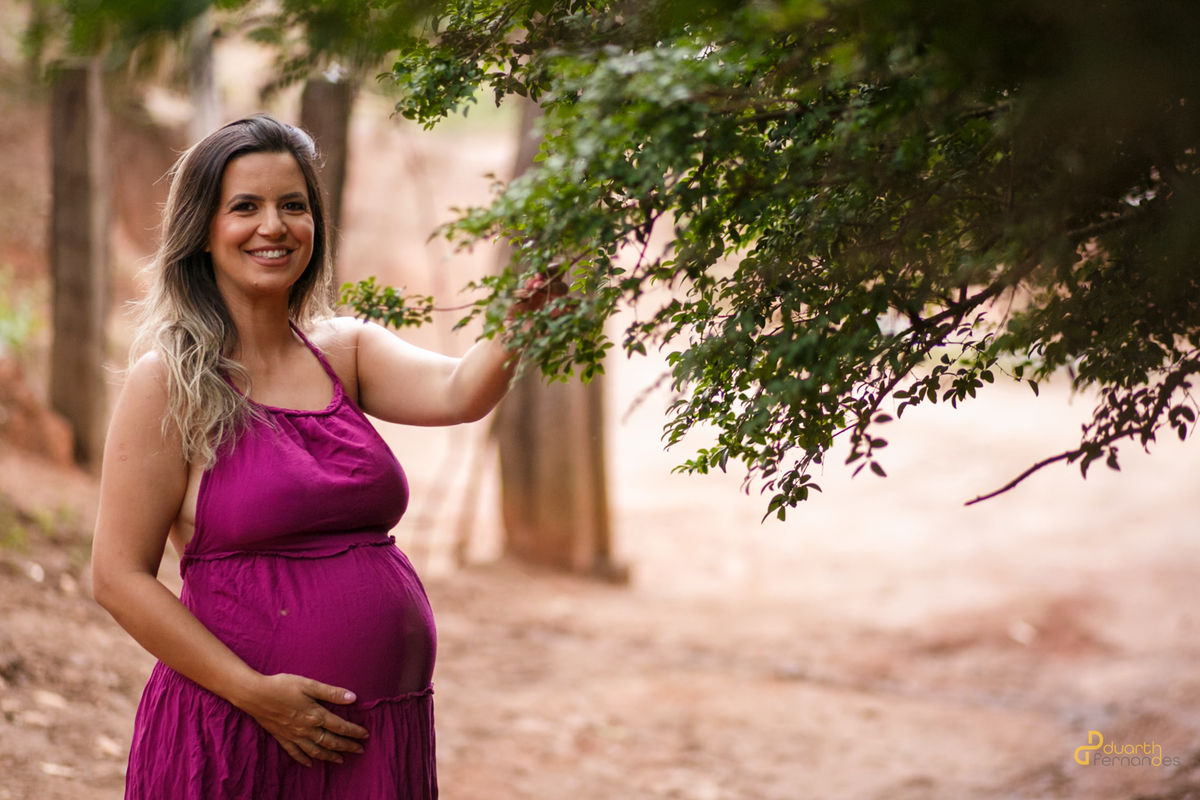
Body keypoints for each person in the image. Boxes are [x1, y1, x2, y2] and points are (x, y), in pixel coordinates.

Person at [92, 114, 533, 799]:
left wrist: (532, 301)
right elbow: (119, 577)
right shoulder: (169, 381)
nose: (274, 226)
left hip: (379, 737)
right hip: (240, 732)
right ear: (203, 232)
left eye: (293, 205)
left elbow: (461, 389)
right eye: (245, 207)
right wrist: (257, 695)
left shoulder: (347, 350)